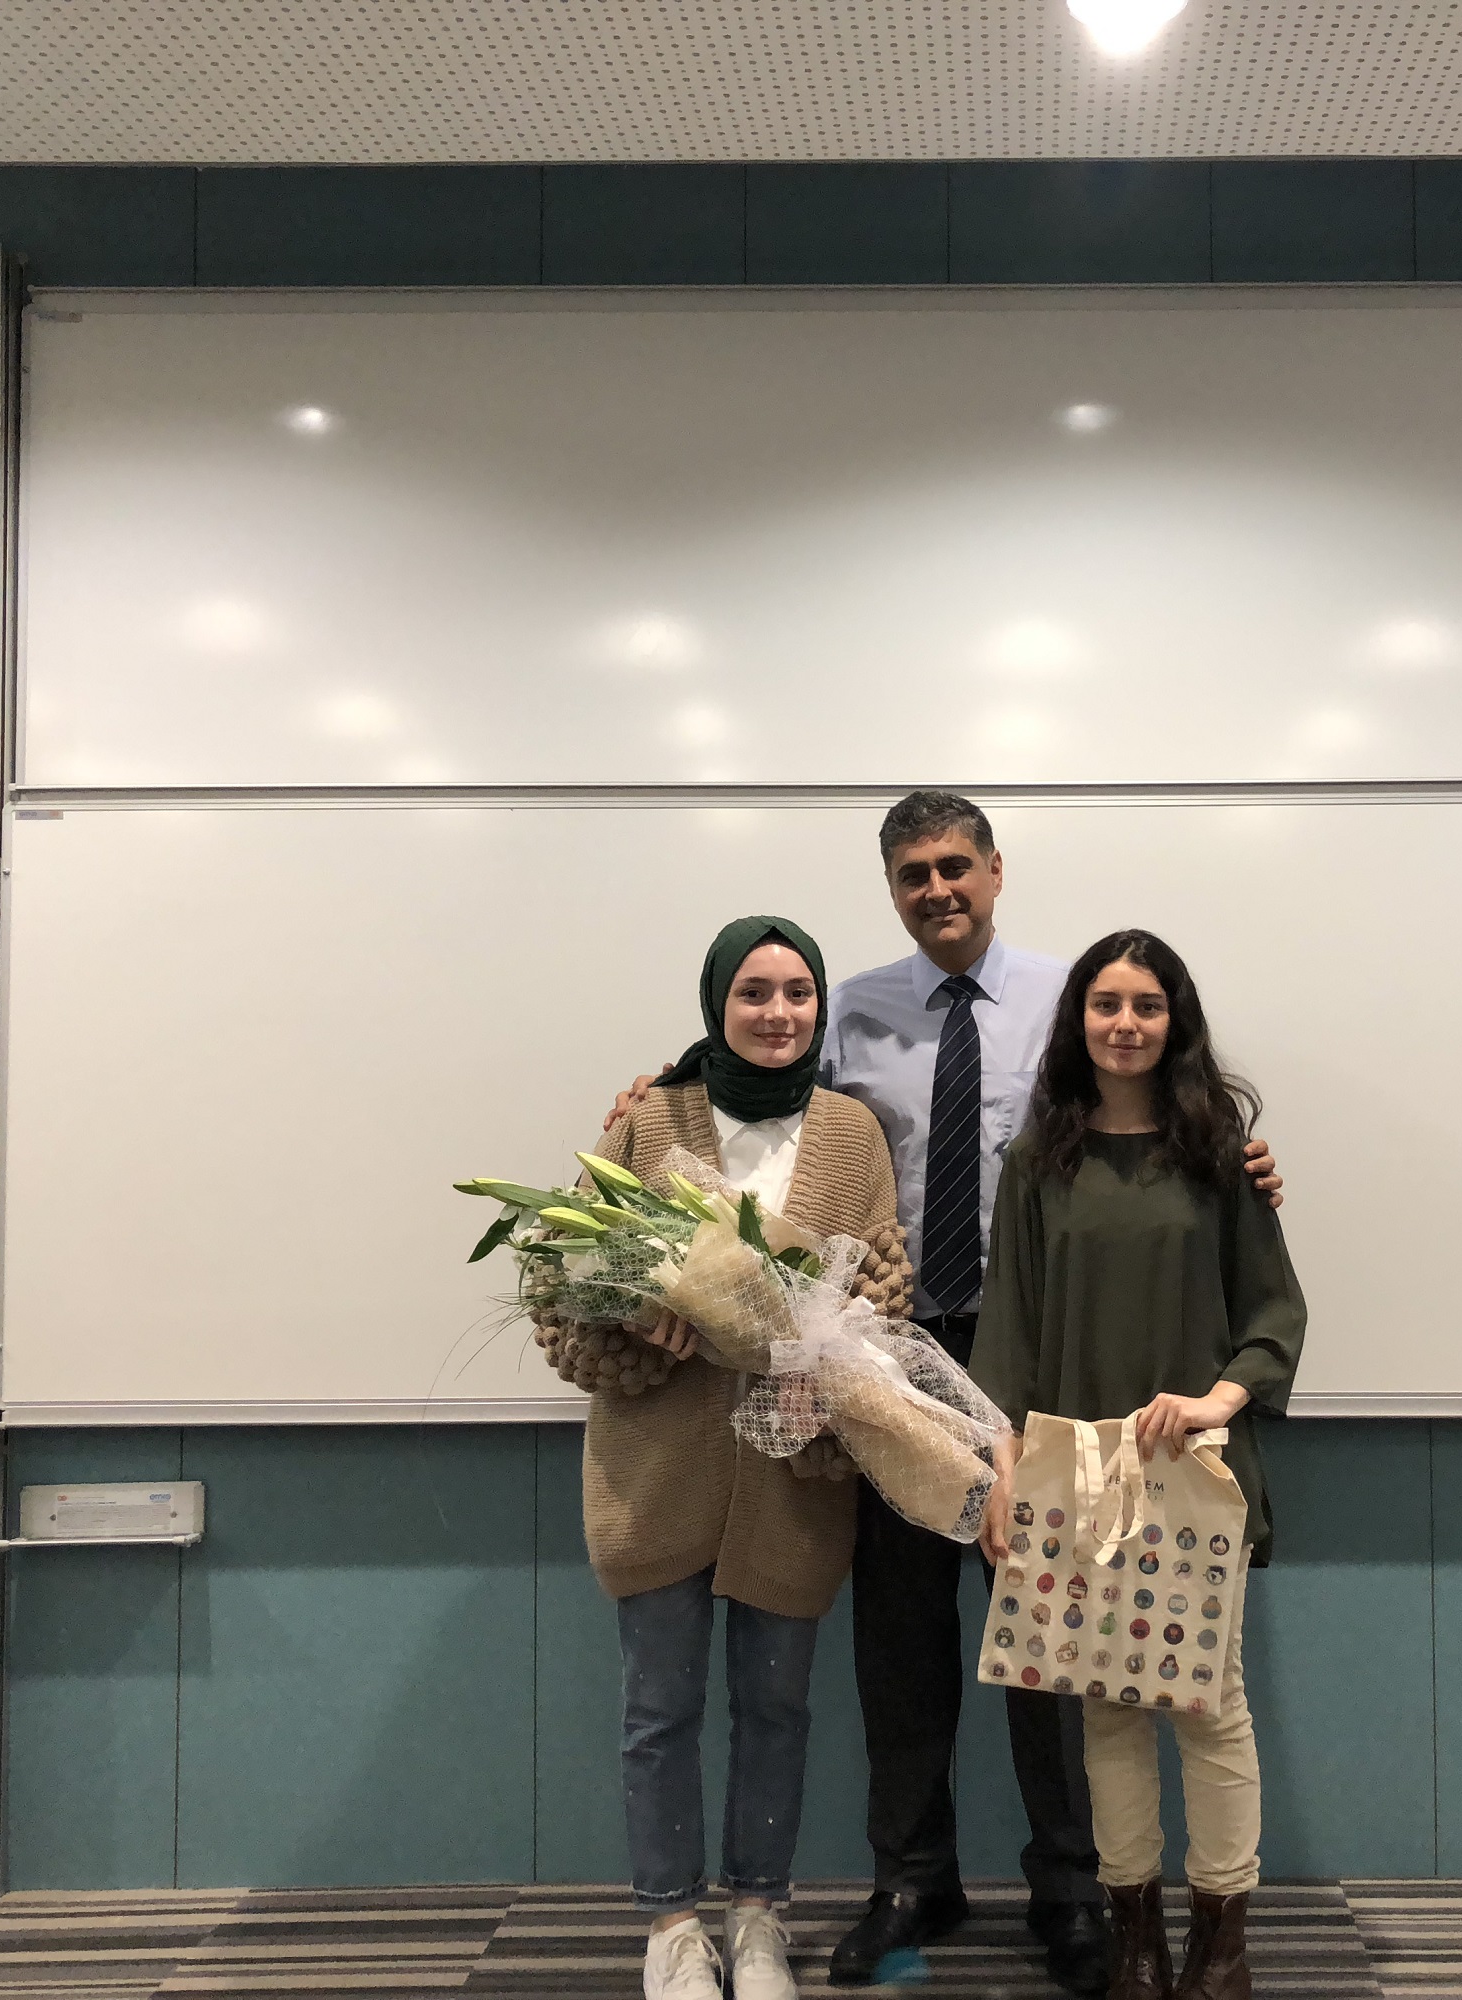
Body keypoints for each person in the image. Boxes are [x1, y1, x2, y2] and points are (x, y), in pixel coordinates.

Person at [607, 792, 1282, 1995]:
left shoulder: (1072, 997)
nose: (937, 888)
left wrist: (1242, 1159)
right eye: (913, 872)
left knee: (1054, 1620)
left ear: (994, 870)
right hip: (886, 1346)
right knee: (900, 1629)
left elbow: (1144, 1115)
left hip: (1047, 1343)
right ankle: (912, 1877)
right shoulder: (849, 1008)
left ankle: (1070, 1887)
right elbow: (755, 1077)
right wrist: (646, 1092)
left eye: (955, 865)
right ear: (892, 887)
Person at [970, 929, 1306, 2000]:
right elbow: (1009, 1329)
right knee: (1106, 1704)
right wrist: (1004, 1469)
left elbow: (1272, 1313)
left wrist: (1215, 1401)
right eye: (1106, 1004)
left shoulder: (1222, 1154)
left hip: (1197, 1468)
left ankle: (1222, 1941)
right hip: (1075, 1473)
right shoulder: (1037, 1161)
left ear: (1175, 1021)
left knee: (1208, 1704)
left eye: (1146, 1005)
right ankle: (1136, 1940)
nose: (1124, 1024)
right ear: (1077, 1019)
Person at [573, 916, 900, 2000]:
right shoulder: (648, 1118)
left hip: (792, 1471)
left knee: (776, 1708)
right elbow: (565, 1286)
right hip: (657, 1465)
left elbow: (883, 1288)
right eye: (754, 991)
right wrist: (636, 1321)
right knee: (658, 1712)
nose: (777, 1012)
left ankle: (758, 1916)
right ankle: (671, 1925)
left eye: (798, 992)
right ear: (717, 1001)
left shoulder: (851, 1132)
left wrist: (830, 1356)